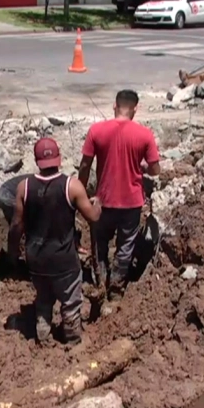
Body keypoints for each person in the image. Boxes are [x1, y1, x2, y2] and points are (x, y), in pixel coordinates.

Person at [8, 138, 101, 345]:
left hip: (37, 259)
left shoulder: (24, 187)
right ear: (58, 159)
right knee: (70, 302)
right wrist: (97, 205)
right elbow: (93, 217)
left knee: (43, 300)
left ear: (36, 160)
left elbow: (16, 225)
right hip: (64, 260)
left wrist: (13, 253)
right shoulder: (72, 186)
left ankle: (43, 335)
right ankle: (73, 340)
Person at [78, 89, 161, 308]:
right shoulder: (144, 134)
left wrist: (82, 192)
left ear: (114, 106)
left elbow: (85, 165)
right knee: (125, 246)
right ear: (135, 108)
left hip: (103, 201)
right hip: (131, 203)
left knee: (100, 242)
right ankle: (116, 289)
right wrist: (142, 165)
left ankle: (100, 281)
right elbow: (155, 170)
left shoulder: (97, 131)